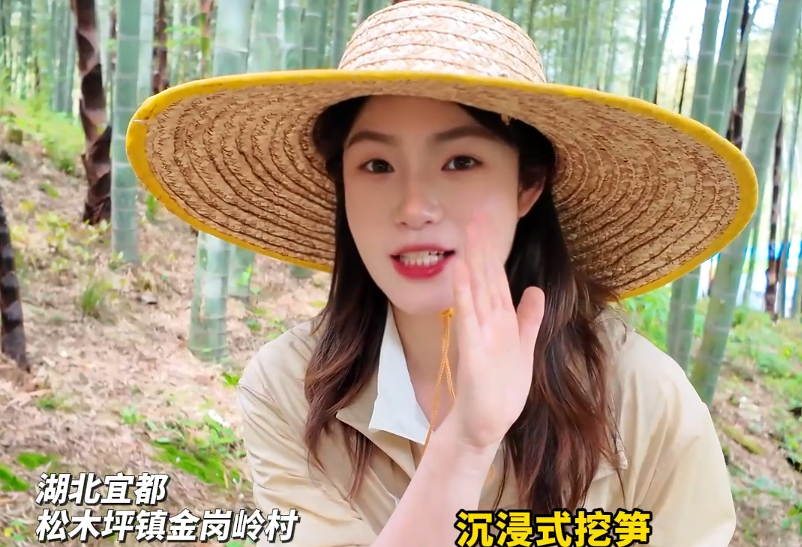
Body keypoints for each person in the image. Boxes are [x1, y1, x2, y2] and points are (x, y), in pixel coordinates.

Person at [125, 1, 758, 546]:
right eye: (376, 166)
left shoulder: (643, 403)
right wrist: (467, 441)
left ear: (527, 185)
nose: (413, 207)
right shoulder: (290, 391)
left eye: (460, 161)